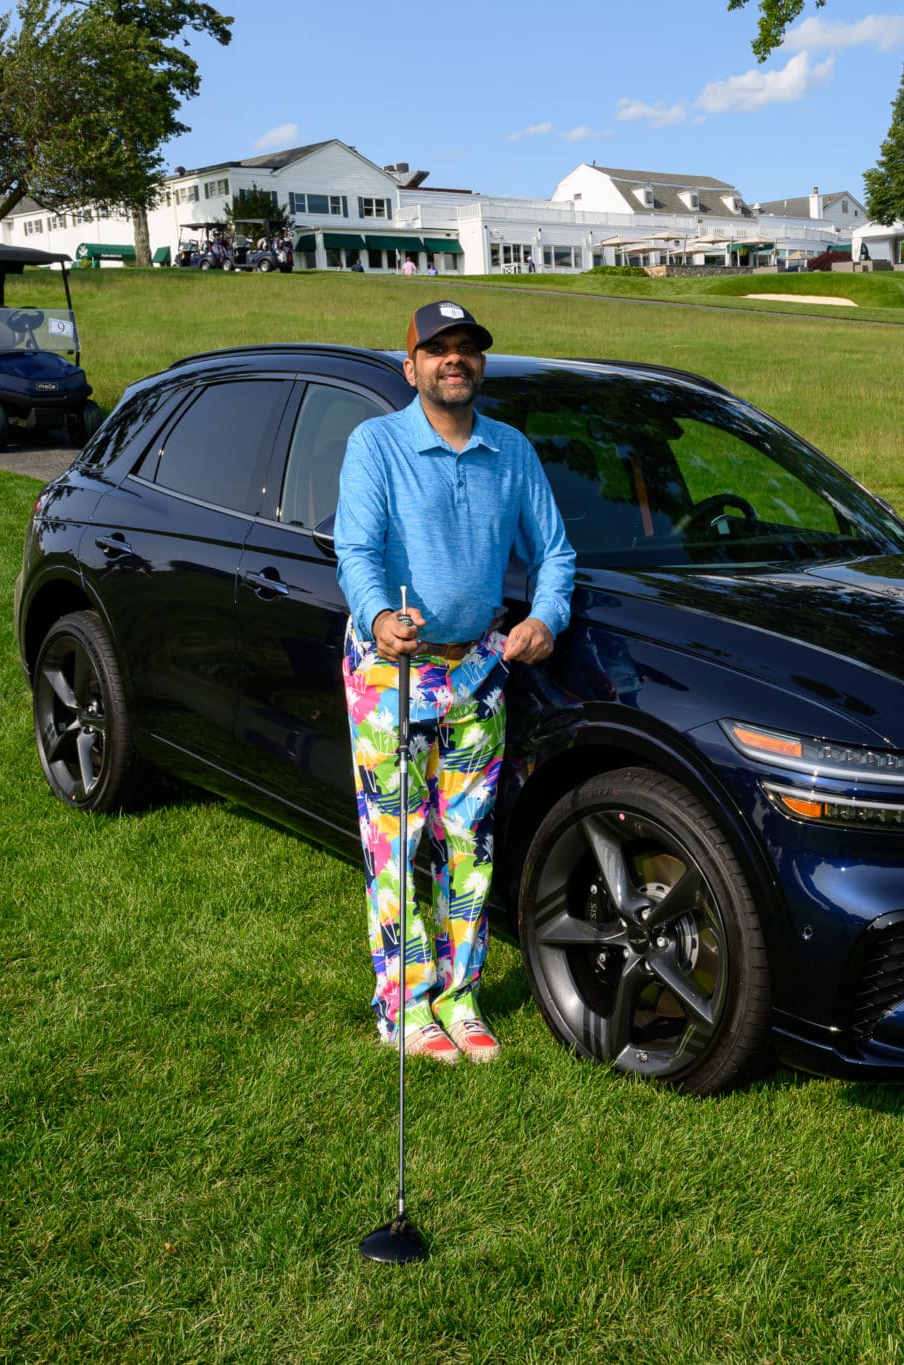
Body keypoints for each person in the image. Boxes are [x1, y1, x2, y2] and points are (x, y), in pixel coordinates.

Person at [336, 300, 575, 1065]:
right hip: (393, 667)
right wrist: (379, 615)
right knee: (398, 839)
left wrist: (546, 616)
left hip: (479, 667)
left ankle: (458, 998)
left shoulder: (512, 450)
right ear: (411, 367)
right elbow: (355, 550)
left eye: (468, 346)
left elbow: (555, 553)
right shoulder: (376, 444)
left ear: (481, 363)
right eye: (439, 348)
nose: (455, 358)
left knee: (469, 839)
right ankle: (403, 1004)